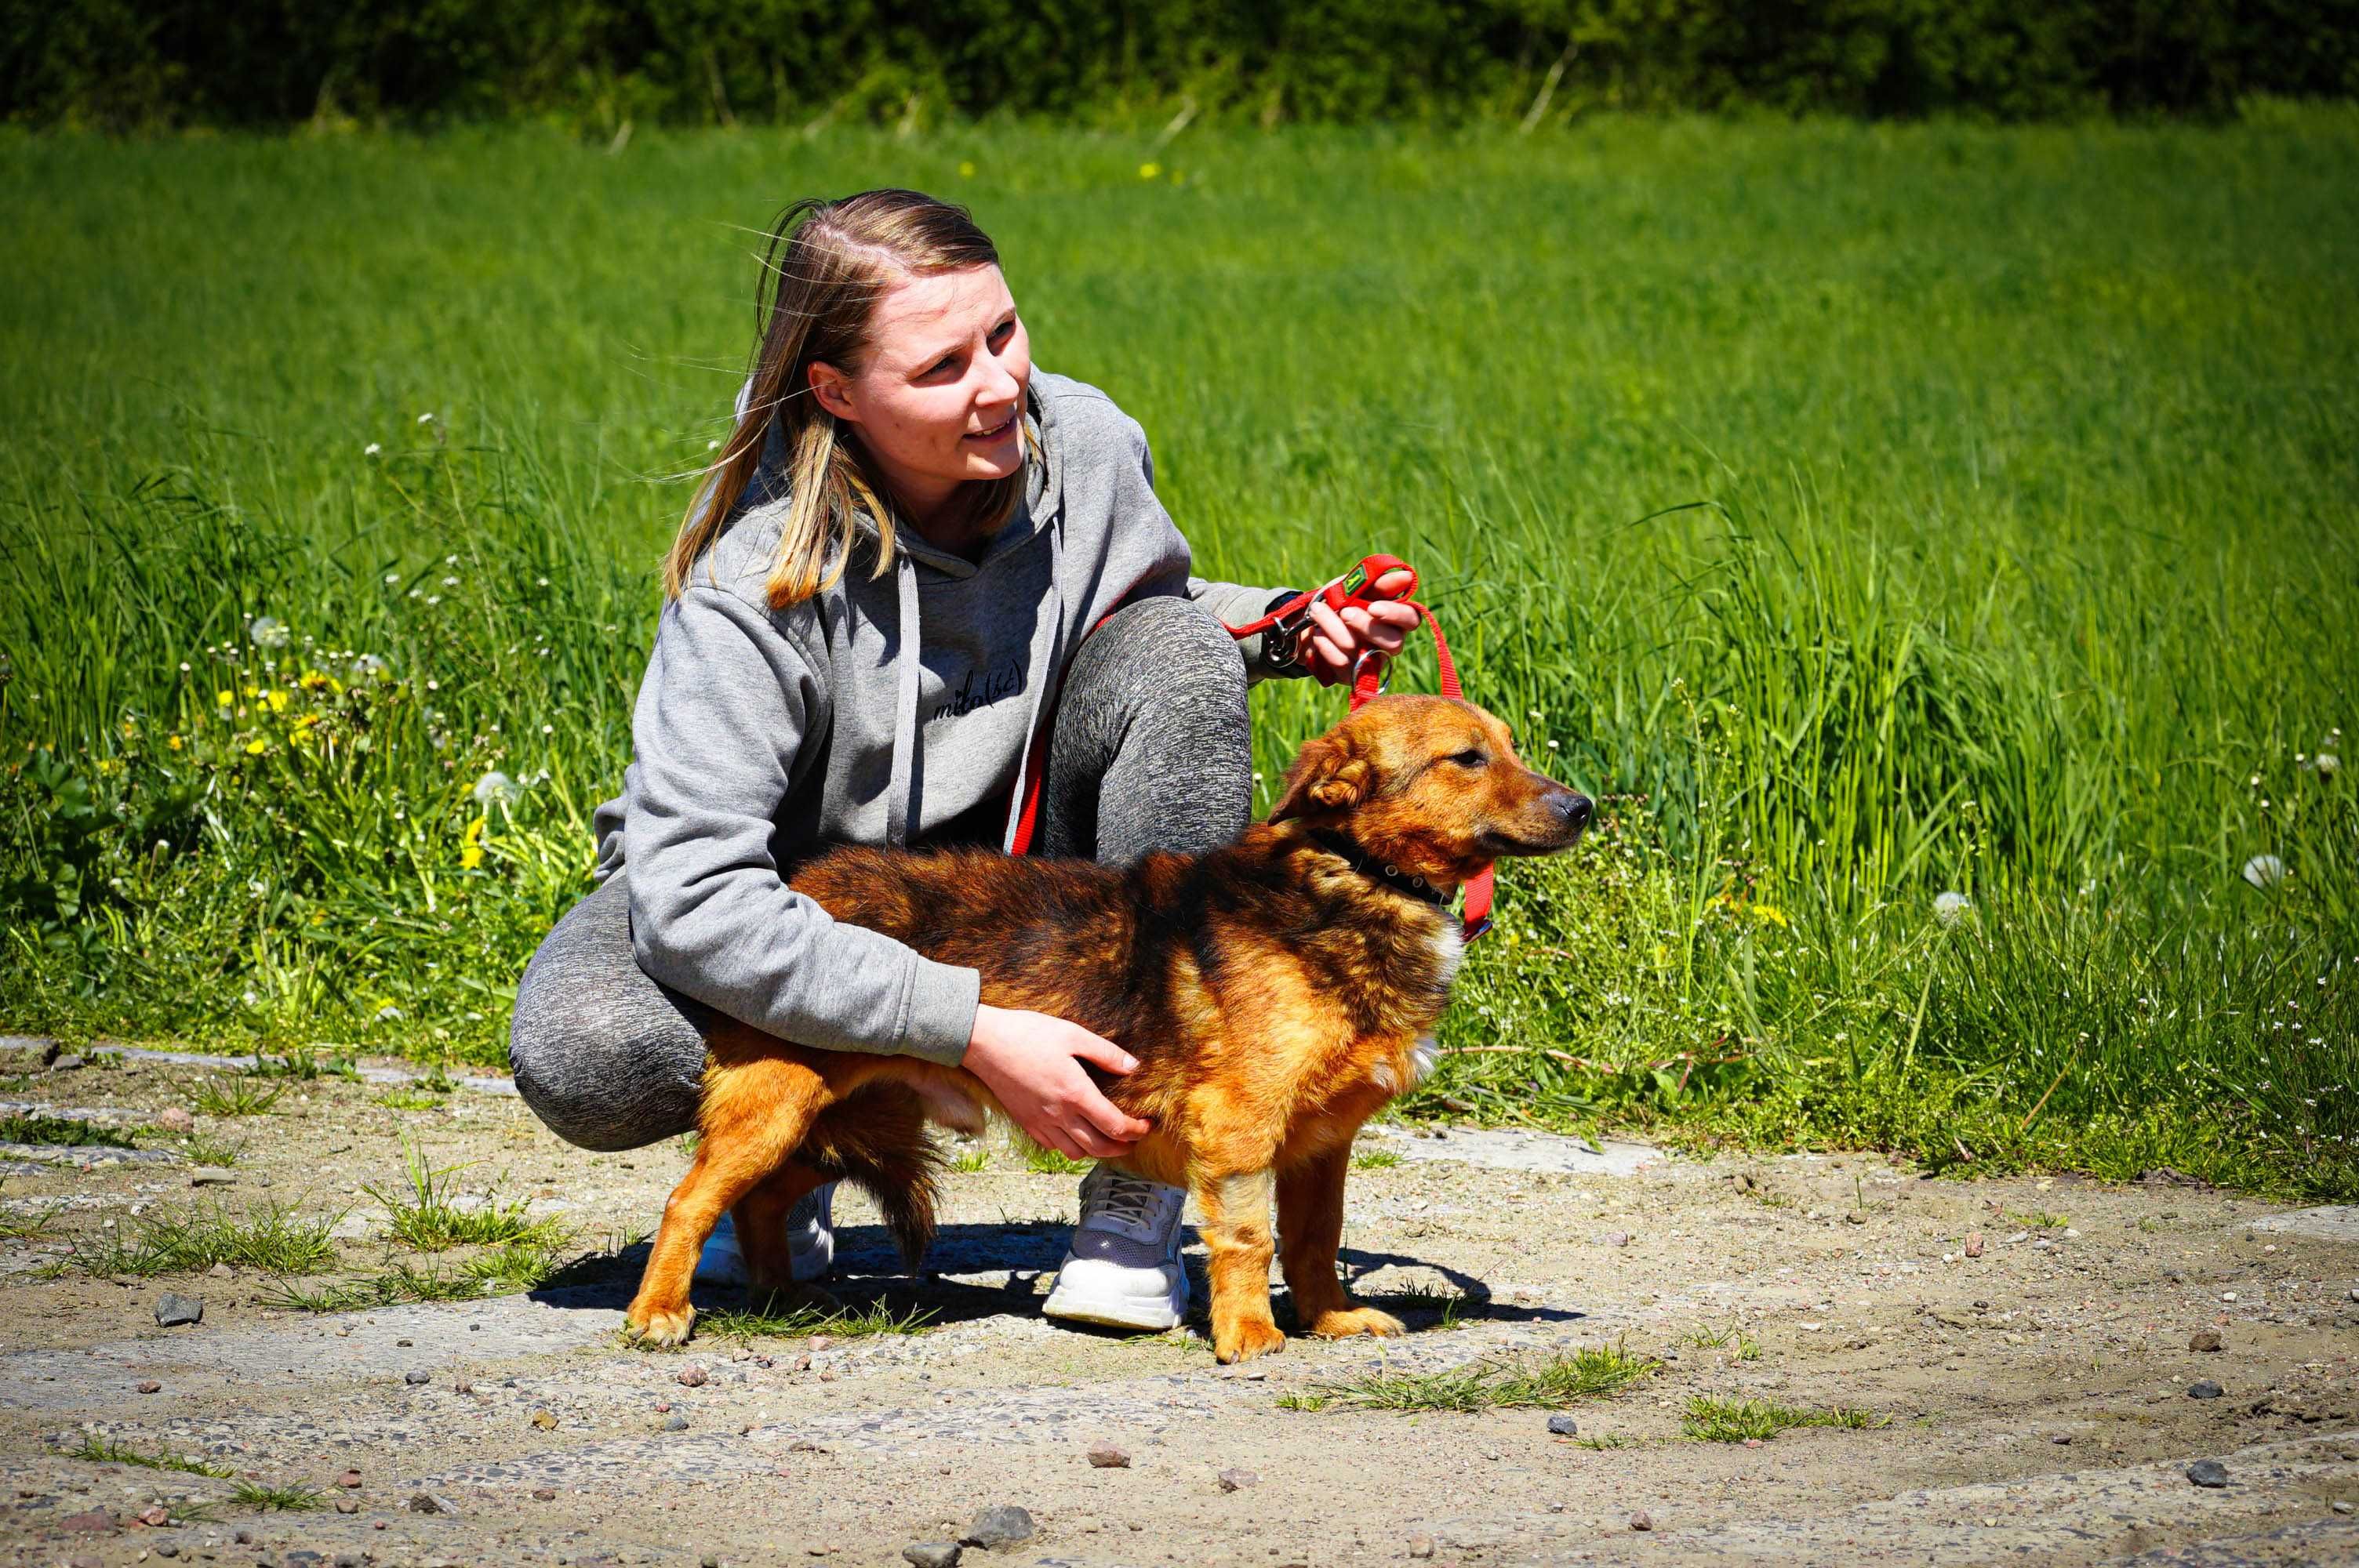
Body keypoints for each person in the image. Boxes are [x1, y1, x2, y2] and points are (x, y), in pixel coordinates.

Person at [507, 188, 1416, 1332]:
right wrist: (964, 1027)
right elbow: (693, 903)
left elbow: (1143, 611)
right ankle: (791, 1167)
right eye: (941, 369)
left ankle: (1135, 1197)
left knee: (1183, 654)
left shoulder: (1081, 441)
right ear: (837, 392)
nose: (999, 385)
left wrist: (1287, 625)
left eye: (1004, 333)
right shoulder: (751, 577)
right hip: (809, 900)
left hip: (1027, 893)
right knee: (586, 1043)